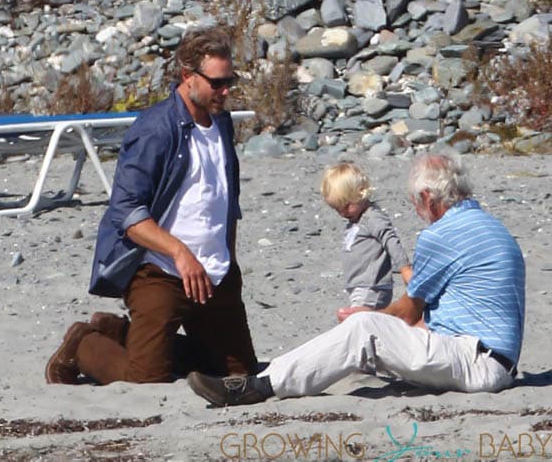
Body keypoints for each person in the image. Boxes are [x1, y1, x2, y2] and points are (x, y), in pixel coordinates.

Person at [187, 153, 525, 406]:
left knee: (364, 329)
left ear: (427, 198)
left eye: (414, 202)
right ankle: (271, 375)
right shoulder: (494, 228)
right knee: (368, 336)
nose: (415, 210)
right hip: (496, 360)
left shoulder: (442, 235)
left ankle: (259, 386)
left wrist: (364, 319)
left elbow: (408, 312)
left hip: (476, 362)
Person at [45, 25, 258, 385]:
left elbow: (225, 198)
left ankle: (122, 332)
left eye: (229, 81)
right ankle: (85, 344)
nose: (225, 91)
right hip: (160, 271)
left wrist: (230, 262)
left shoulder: (221, 122)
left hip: (215, 274)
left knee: (238, 374)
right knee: (145, 378)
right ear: (188, 76)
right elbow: (126, 212)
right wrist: (180, 253)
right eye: (217, 83)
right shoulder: (155, 129)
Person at [320, 162, 412, 322]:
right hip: (359, 286)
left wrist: (405, 269)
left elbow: (391, 241)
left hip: (372, 286)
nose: (343, 213)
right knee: (362, 323)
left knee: (361, 322)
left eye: (347, 206)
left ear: (361, 193)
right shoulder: (356, 220)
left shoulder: (372, 218)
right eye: (337, 209)